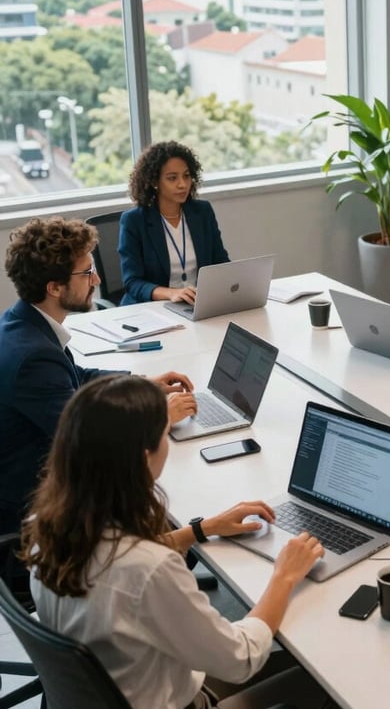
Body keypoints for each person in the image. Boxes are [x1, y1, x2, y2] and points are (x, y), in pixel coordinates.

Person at [22, 375, 340, 709]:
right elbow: (240, 658)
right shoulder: (149, 569)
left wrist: (200, 530)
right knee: (322, 686)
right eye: (163, 434)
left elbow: (113, 560)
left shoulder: (46, 526)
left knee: (289, 664)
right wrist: (284, 576)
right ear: (143, 457)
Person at [0, 217, 196, 535]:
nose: (97, 279)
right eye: (87, 272)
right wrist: (161, 415)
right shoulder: (32, 356)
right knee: (166, 498)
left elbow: (76, 377)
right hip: (30, 509)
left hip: (33, 477)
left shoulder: (22, 321)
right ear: (54, 287)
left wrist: (141, 385)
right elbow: (91, 440)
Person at [119, 140, 229, 306]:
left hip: (196, 304)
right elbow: (133, 283)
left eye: (186, 176)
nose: (182, 184)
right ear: (154, 182)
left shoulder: (202, 212)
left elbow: (220, 263)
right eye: (172, 178)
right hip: (152, 308)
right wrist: (171, 293)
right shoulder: (134, 221)